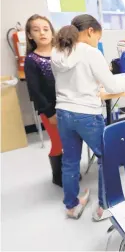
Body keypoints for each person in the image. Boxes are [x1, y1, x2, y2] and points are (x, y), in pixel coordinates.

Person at [51, 14, 125, 220]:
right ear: (90, 31)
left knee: (70, 161)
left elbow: (69, 81)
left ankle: (71, 206)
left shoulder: (57, 51)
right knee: (106, 157)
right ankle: (103, 207)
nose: (98, 41)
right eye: (98, 36)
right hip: (87, 114)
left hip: (63, 111)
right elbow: (112, 85)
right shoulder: (91, 52)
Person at [24, 14, 63, 187]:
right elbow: (35, 91)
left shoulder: (60, 53)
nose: (42, 33)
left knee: (69, 141)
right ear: (30, 35)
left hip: (67, 105)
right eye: (36, 30)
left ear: (52, 33)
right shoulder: (32, 60)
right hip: (50, 109)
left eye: (46, 29)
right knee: (58, 142)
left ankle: (69, 171)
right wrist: (49, 112)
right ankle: (58, 176)